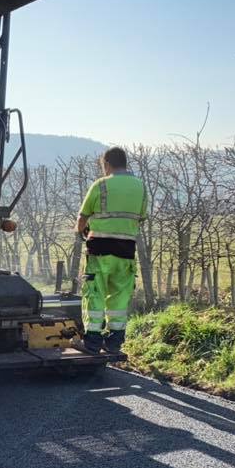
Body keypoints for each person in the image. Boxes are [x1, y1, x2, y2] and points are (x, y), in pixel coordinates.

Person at [75, 146, 147, 353]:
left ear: (107, 163)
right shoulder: (140, 187)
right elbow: (141, 216)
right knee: (119, 297)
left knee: (95, 293)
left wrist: (82, 230)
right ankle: (115, 343)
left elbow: (82, 218)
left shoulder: (101, 185)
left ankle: (93, 342)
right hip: (126, 252)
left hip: (99, 251)